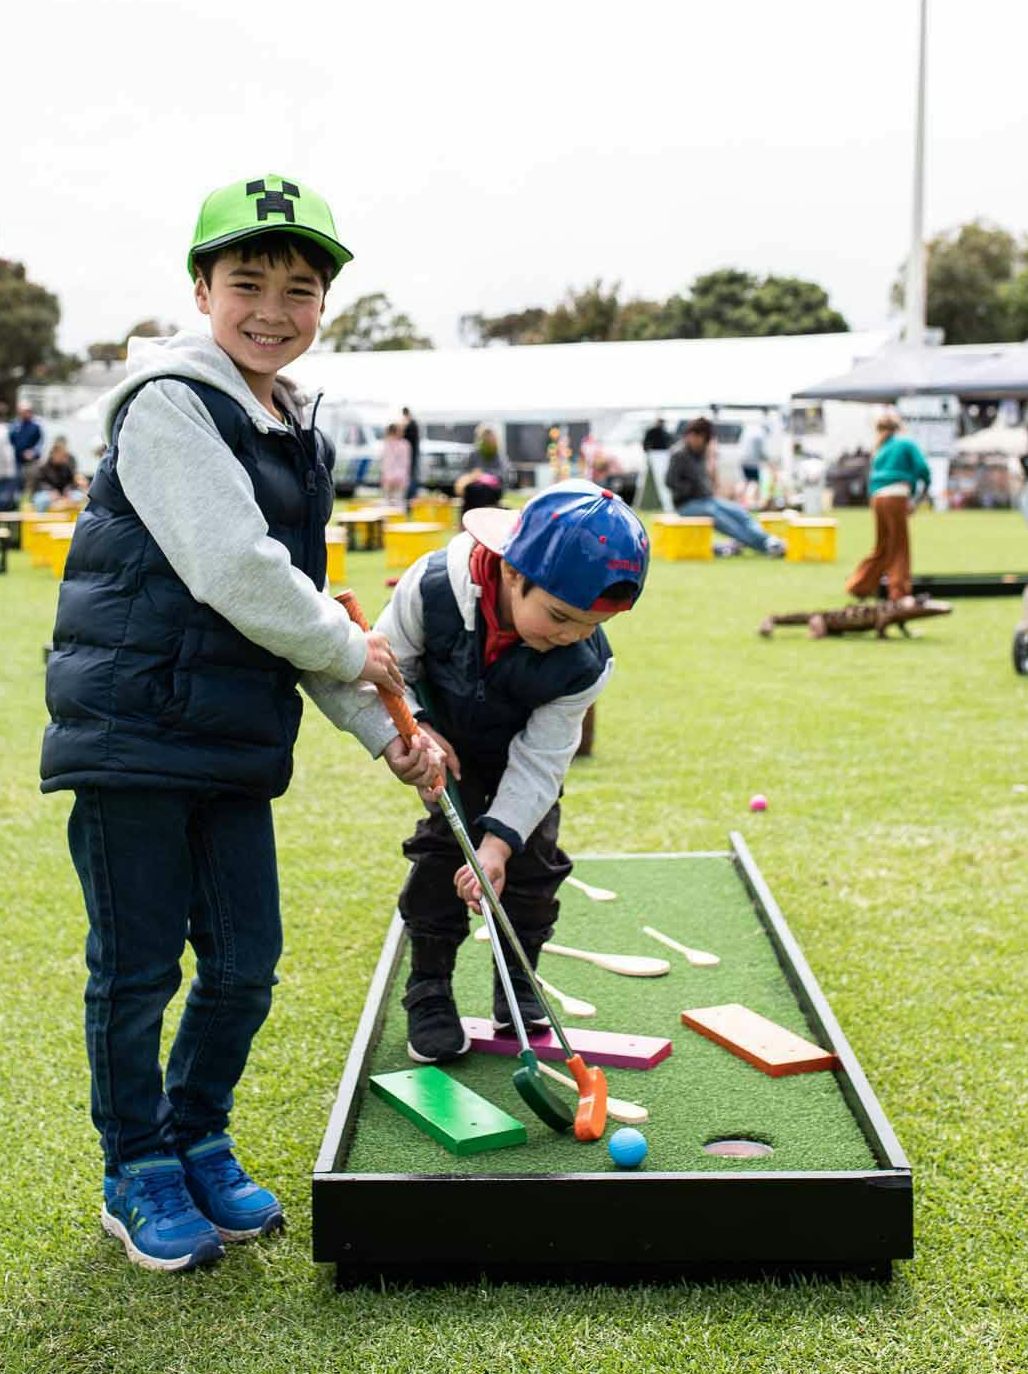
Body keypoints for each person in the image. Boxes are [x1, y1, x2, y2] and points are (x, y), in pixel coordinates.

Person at [39, 174, 439, 1274]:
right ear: (200, 288)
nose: (272, 306)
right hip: (133, 735)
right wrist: (352, 651)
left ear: (323, 305)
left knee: (245, 964)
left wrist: (384, 730)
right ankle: (137, 1168)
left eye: (299, 288)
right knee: (135, 971)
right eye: (247, 281)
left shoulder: (288, 424)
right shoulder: (169, 401)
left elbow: (299, 618)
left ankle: (196, 1134)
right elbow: (236, 571)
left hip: (227, 740)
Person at [374, 484, 649, 1065]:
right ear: (509, 570)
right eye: (558, 617)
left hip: (521, 757)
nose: (570, 635)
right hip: (443, 748)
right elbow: (384, 665)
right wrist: (415, 724)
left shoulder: (583, 664)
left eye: (590, 625)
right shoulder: (430, 589)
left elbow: (543, 759)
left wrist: (499, 844)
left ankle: (517, 982)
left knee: (532, 864)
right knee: (444, 856)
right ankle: (429, 988)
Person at [665, 418, 787, 557]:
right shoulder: (678, 454)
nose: (702, 443)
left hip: (707, 499)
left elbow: (709, 477)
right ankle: (766, 546)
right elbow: (669, 481)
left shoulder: (700, 453)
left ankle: (769, 540)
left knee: (739, 512)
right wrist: (690, 490)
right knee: (725, 521)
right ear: (692, 435)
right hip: (686, 504)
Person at [845, 410, 932, 602]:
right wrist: (919, 496)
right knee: (900, 546)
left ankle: (859, 585)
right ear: (899, 426)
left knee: (883, 546)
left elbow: (873, 478)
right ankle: (899, 592)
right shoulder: (906, 443)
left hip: (878, 498)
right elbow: (923, 469)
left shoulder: (880, 449)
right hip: (896, 495)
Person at [31, 438, 89, 510]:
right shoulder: (42, 467)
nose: (62, 458)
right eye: (60, 455)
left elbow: (71, 482)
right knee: (42, 500)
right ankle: (41, 519)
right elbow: (39, 485)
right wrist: (51, 491)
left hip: (63, 494)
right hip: (46, 494)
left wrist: (68, 490)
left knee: (80, 497)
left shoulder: (66, 467)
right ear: (53, 454)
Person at [9, 400, 46, 495]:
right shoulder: (15, 425)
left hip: (32, 461)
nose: (23, 414)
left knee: (32, 484)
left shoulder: (36, 425)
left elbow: (41, 442)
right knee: (17, 484)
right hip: (18, 460)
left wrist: (33, 452)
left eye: (25, 411)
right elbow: (11, 440)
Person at [379, 420, 412, 507]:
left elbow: (385, 462)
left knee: (387, 502)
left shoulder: (386, 444)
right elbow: (406, 463)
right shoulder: (405, 444)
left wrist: (385, 476)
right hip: (400, 477)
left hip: (389, 477)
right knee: (399, 502)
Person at [400, 406, 421, 510]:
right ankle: (411, 503)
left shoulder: (410, 425)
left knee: (410, 482)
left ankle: (410, 504)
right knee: (412, 481)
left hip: (410, 458)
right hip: (412, 457)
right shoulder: (414, 424)